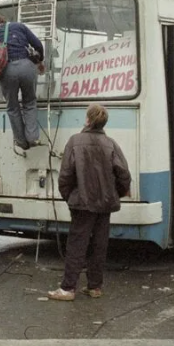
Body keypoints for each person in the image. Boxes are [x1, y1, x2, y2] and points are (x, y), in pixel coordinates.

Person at [47, 105, 131, 301]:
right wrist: (114, 193)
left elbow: (65, 175)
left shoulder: (75, 142)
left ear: (87, 120)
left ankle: (68, 288)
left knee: (77, 245)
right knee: (99, 244)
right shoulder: (111, 144)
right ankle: (95, 286)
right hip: (105, 202)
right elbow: (124, 175)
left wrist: (69, 196)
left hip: (82, 203)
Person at [0, 14, 44, 149]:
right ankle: (33, 137)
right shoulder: (19, 26)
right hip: (27, 67)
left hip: (7, 71)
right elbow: (38, 44)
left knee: (12, 106)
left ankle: (21, 141)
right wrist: (40, 59)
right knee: (30, 102)